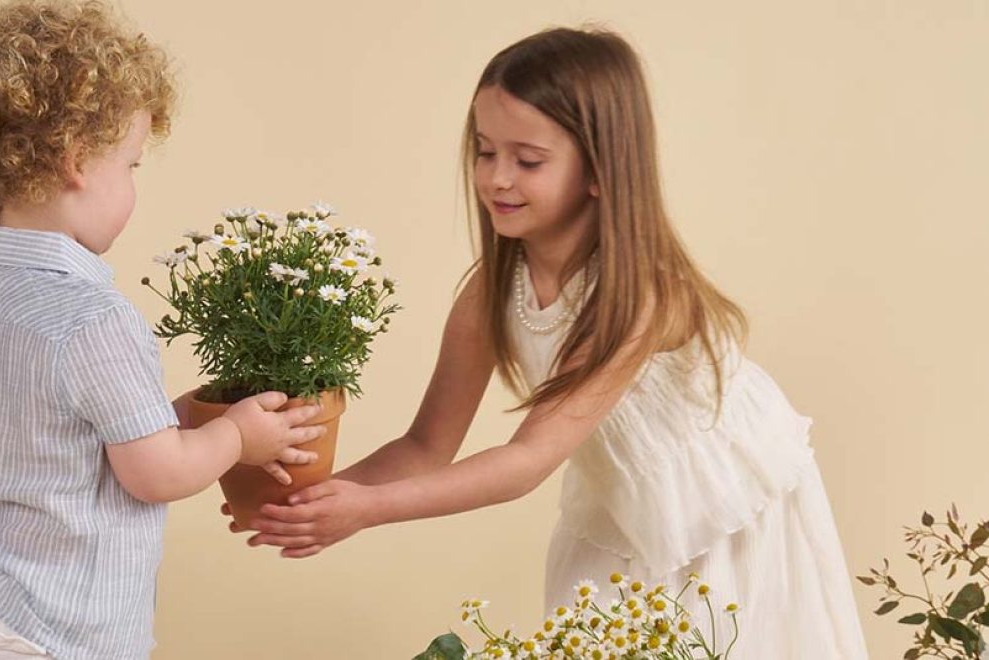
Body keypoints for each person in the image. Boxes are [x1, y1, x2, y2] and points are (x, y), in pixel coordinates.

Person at [243, 27, 868, 658]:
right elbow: (427, 445)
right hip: (618, 511)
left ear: (600, 170)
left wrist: (369, 510)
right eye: (485, 152)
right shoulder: (492, 289)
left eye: (528, 160)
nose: (497, 178)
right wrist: (308, 503)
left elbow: (527, 462)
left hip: (719, 509)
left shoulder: (638, 296)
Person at [0, 2, 321, 657]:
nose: (134, 182)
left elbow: (80, 439)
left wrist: (185, 417)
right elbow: (155, 472)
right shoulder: (91, 314)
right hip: (50, 627)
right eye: (130, 164)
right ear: (77, 160)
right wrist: (237, 434)